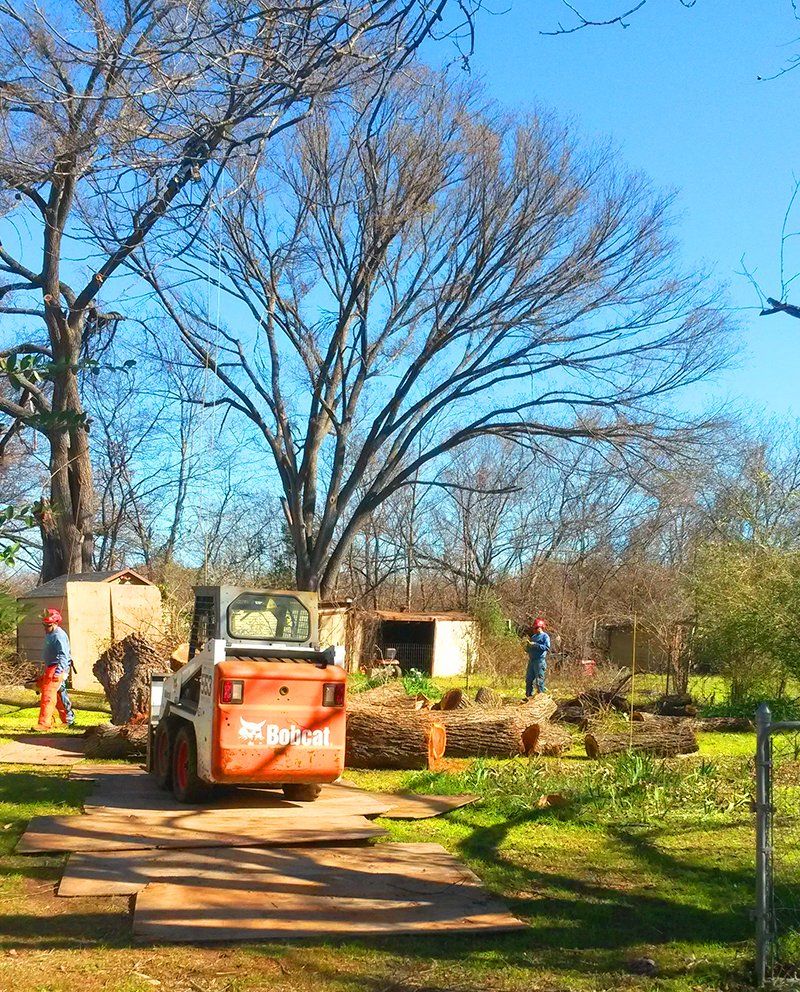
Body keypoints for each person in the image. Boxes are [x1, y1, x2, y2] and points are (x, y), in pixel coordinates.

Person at [33, 608, 75, 731]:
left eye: (48, 625)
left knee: (48, 694)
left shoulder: (59, 635)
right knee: (60, 694)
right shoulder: (50, 633)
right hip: (50, 667)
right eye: (44, 625)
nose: (46, 627)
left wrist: (59, 672)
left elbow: (64, 655)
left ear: (56, 623)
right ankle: (68, 719)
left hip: (57, 667)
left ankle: (44, 723)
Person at [525, 617, 551, 697]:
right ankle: (528, 696)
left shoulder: (545, 636)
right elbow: (528, 649)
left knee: (539, 681)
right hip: (531, 661)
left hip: (539, 661)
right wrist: (526, 647)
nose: (535, 630)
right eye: (534, 628)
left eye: (537, 628)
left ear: (541, 627)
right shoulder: (533, 637)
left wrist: (535, 645)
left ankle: (541, 698)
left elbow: (547, 647)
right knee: (528, 680)